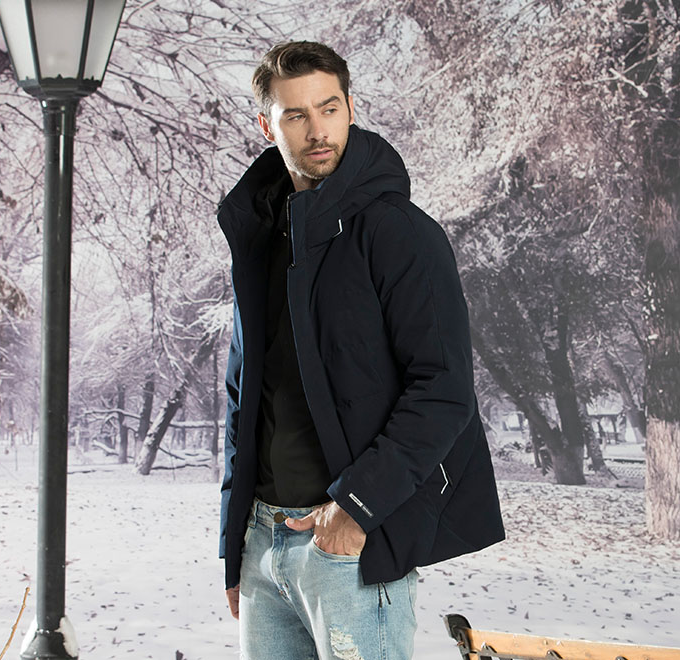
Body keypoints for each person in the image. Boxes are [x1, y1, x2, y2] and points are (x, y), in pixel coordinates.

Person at [216, 40, 505, 660]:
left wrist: (354, 509)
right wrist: (233, 538)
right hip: (262, 541)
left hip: (348, 543)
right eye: (296, 115)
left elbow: (444, 388)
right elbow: (243, 397)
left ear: (351, 107)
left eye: (329, 109)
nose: (317, 130)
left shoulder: (399, 232)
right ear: (267, 126)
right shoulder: (259, 238)